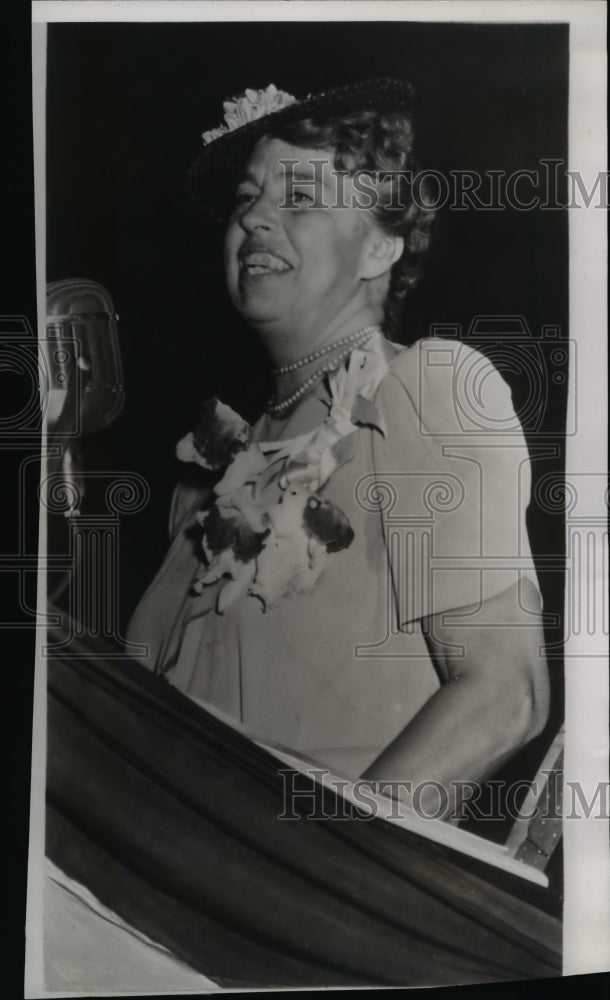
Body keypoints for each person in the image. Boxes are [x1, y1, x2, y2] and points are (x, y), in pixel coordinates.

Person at [127, 79, 550, 818]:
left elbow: (504, 695)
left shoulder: (432, 386)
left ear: (381, 245)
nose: (254, 217)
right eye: (245, 200)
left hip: (297, 905)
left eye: (296, 198)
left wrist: (302, 871)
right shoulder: (207, 473)